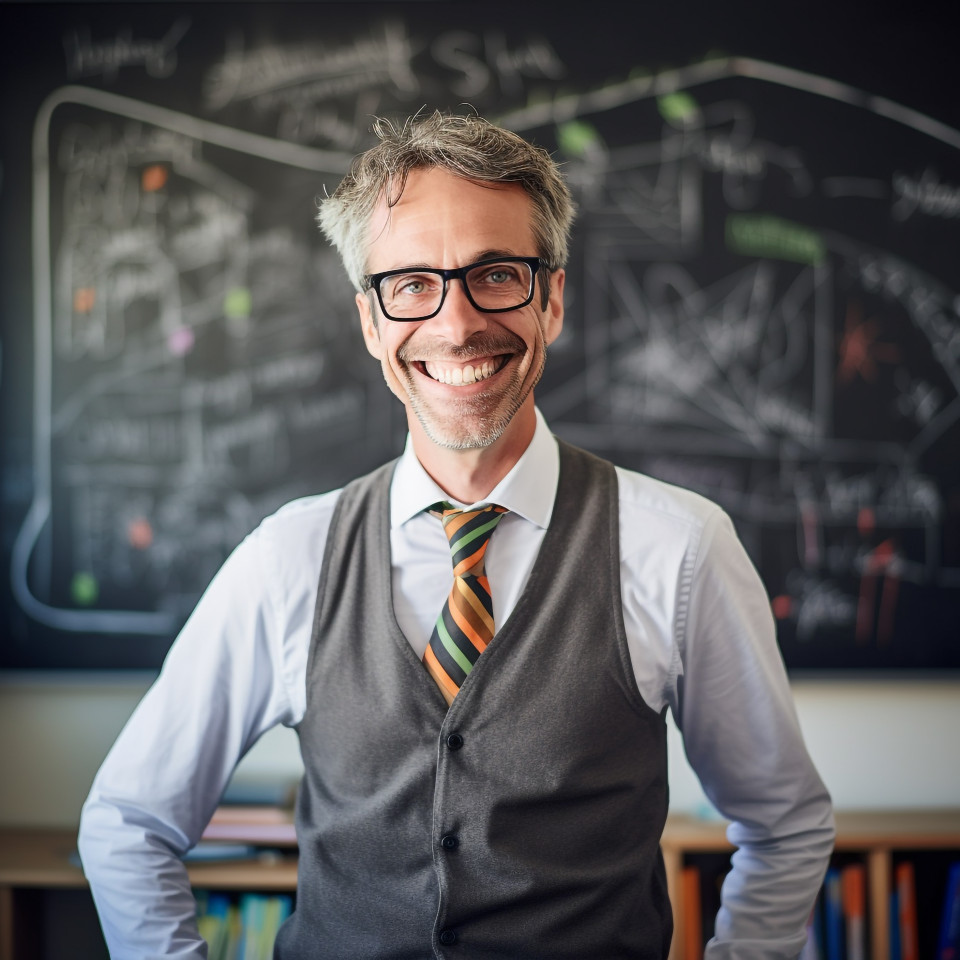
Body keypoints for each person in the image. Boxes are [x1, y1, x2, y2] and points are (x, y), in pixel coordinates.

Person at [79, 111, 834, 959]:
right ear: (371, 322)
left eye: (497, 275)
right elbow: (128, 822)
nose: (456, 324)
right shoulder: (286, 558)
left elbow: (784, 826)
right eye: (410, 284)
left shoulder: (678, 549)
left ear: (550, 299)